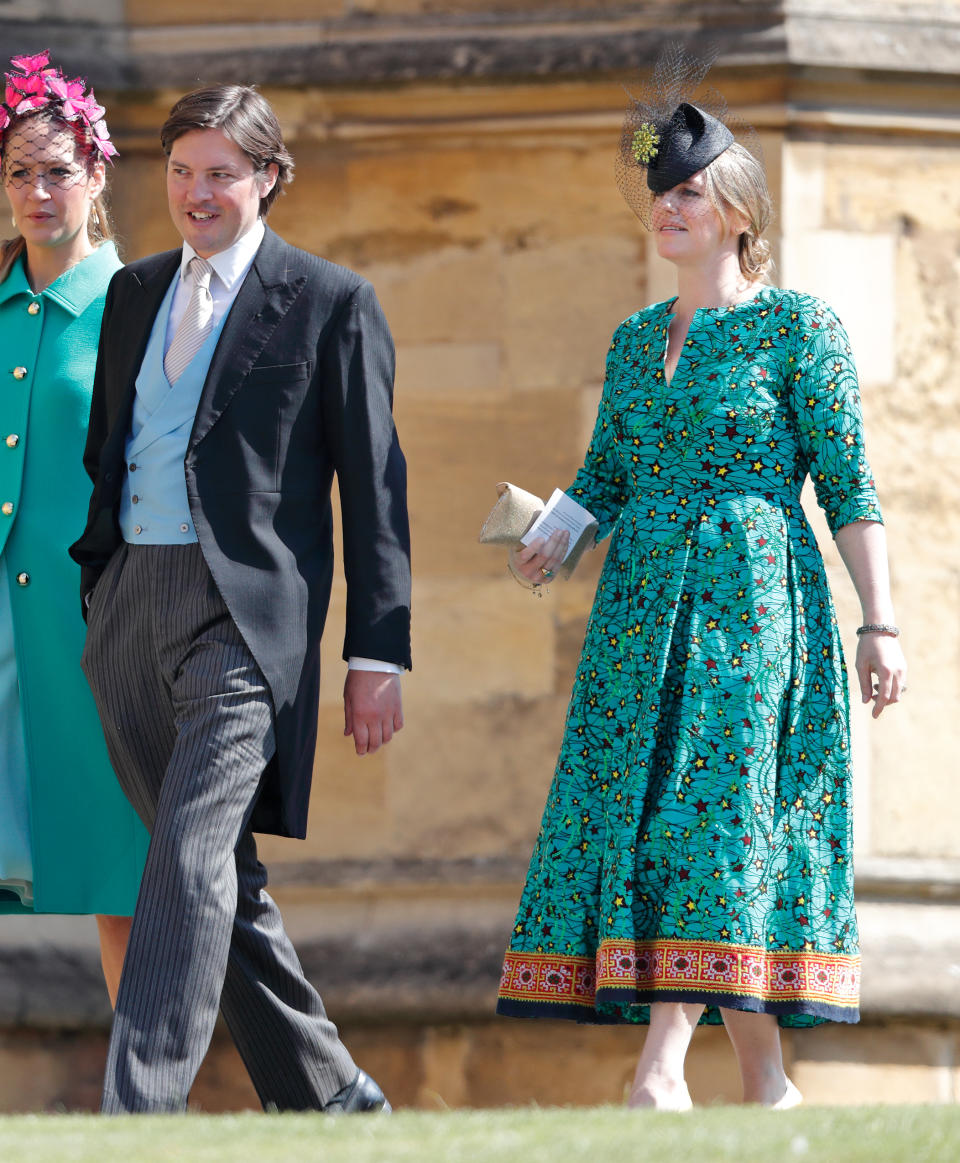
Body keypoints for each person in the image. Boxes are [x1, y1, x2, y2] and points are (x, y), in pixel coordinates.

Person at [494, 47, 906, 1110]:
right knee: (655, 815)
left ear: (734, 209)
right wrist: (556, 534)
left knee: (711, 812)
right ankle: (767, 1079)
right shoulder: (637, 341)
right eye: (660, 195)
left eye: (686, 193)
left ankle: (661, 1069)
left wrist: (883, 624)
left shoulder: (798, 327)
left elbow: (850, 485)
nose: (667, 210)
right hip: (638, 614)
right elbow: (606, 476)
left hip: (750, 602)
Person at [69, 84, 411, 1114]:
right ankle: (330, 1095)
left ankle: (139, 1109)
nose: (196, 192)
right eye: (180, 171)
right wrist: (100, 582)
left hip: (245, 624)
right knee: (218, 877)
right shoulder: (131, 292)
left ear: (267, 177)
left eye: (220, 172)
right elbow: (110, 448)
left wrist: (376, 651)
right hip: (130, 600)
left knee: (181, 859)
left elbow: (376, 482)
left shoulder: (330, 300)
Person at [0, 50, 147, 1006]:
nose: (38, 190)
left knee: (120, 872)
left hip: (95, 623)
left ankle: (146, 1104)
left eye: (58, 170)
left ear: (96, 175)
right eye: (19, 171)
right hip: (2, 627)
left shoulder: (142, 306)